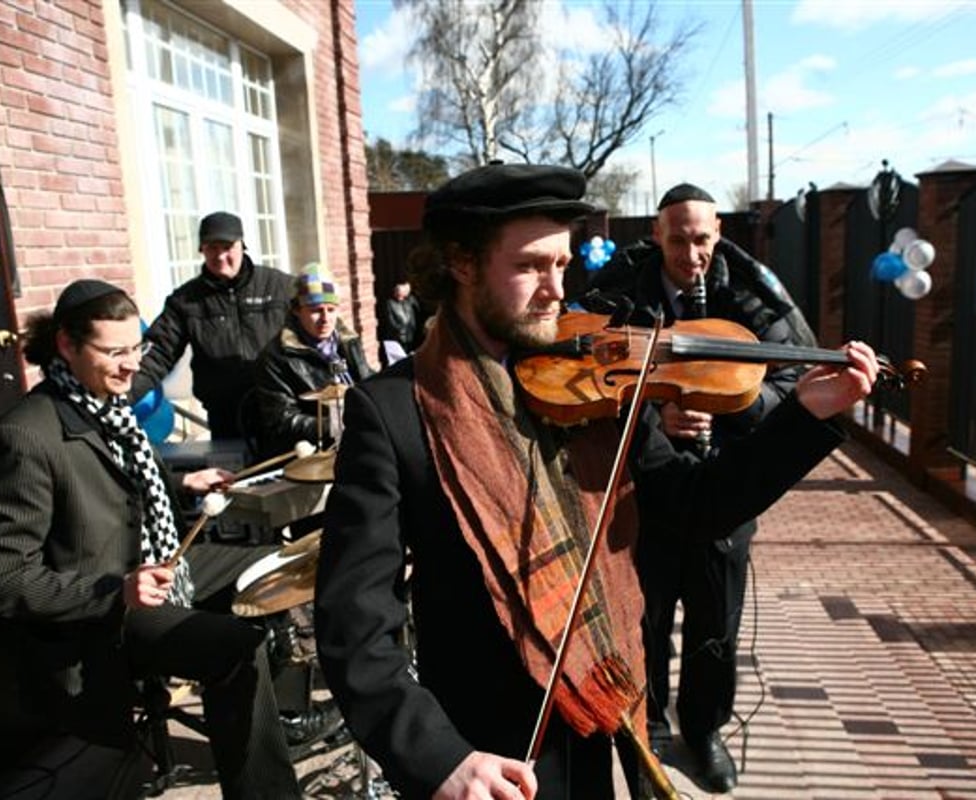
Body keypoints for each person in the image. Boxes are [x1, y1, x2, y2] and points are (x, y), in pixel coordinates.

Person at [313, 164, 879, 799]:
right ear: (462, 264)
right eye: (531, 265)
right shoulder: (393, 413)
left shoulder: (594, 384)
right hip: (486, 753)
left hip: (598, 721)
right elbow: (353, 623)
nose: (557, 290)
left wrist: (803, 419)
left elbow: (692, 506)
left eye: (564, 263)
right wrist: (439, 758)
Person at [0, 279, 307, 798]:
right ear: (66, 345)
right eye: (114, 352)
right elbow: (0, 581)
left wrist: (179, 482)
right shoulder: (26, 437)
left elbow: (116, 485)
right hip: (105, 613)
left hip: (157, 565)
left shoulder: (106, 407)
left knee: (276, 563)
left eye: (137, 348)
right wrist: (114, 591)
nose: (132, 365)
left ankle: (270, 715)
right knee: (236, 648)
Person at [581, 183, 817, 792]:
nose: (691, 254)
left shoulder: (753, 293)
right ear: (656, 235)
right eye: (678, 239)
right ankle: (652, 724)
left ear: (719, 236)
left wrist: (731, 405)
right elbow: (580, 369)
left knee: (717, 624)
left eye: (702, 240)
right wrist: (656, 414)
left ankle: (705, 728)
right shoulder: (619, 288)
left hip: (726, 488)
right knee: (646, 619)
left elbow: (794, 381)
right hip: (647, 491)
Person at [132, 211, 293, 439]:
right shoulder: (185, 301)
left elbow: (321, 331)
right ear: (202, 250)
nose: (220, 256)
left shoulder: (280, 287)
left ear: (242, 245)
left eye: (227, 247)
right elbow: (157, 352)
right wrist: (121, 395)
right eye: (211, 248)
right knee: (236, 474)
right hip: (226, 419)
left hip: (282, 411)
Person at [251, 261, 374, 459]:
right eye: (316, 310)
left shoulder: (349, 341)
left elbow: (367, 381)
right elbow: (281, 421)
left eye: (331, 309)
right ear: (297, 310)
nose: (326, 319)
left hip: (362, 439)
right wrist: (336, 424)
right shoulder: (275, 358)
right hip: (315, 455)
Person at [377, 279, 422, 365]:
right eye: (398, 292)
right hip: (398, 337)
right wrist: (400, 330)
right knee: (399, 360)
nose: (400, 296)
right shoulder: (389, 303)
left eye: (402, 293)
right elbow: (390, 322)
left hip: (411, 335)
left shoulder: (409, 300)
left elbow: (417, 312)